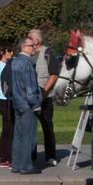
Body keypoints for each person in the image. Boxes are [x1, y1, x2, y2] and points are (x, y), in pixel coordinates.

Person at [9, 37, 42, 174]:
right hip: (27, 104)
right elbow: (30, 87)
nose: (34, 48)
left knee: (18, 135)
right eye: (31, 46)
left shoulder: (14, 62)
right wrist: (36, 104)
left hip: (17, 102)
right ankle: (26, 166)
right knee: (28, 136)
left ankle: (16, 164)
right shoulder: (27, 63)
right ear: (24, 47)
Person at [28, 28, 60, 166]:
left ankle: (50, 156)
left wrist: (44, 91)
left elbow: (54, 74)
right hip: (29, 98)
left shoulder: (48, 53)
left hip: (44, 98)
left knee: (47, 127)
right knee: (29, 128)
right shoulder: (27, 53)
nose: (27, 39)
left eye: (29, 37)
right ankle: (31, 155)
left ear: (37, 40)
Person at [0, 43, 15, 168]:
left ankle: (5, 158)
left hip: (4, 101)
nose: (12, 53)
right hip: (5, 100)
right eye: (9, 51)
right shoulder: (1, 66)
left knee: (7, 130)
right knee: (9, 130)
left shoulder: (1, 65)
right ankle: (7, 158)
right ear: (2, 52)